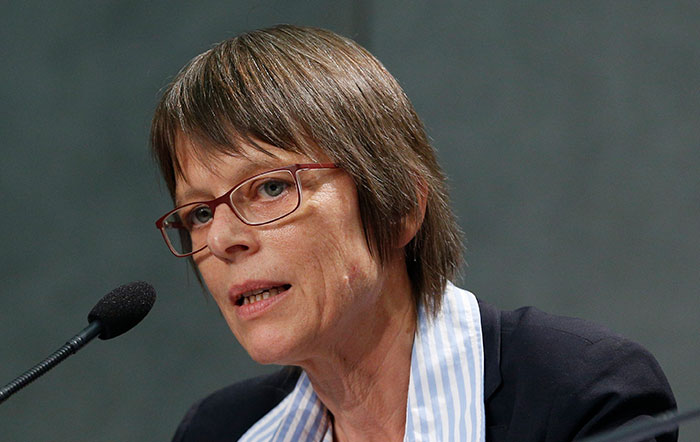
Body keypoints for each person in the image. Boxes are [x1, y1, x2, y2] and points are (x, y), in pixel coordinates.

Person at [151, 25, 676, 441]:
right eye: (198, 213)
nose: (221, 239)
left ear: (400, 206)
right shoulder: (219, 430)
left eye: (268, 188)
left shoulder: (579, 394)